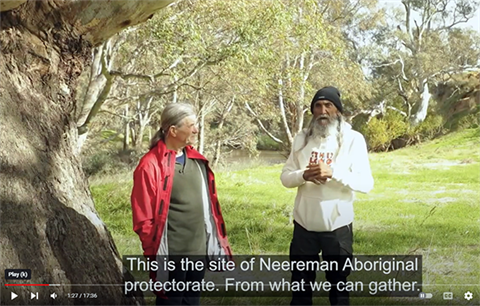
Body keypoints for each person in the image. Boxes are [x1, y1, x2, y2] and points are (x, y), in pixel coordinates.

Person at [131, 102, 232, 306]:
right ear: (173, 130)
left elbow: (210, 207)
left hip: (198, 253)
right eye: (191, 125)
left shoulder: (198, 161)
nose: (196, 129)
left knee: (192, 302)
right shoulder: (149, 165)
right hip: (171, 255)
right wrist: (154, 252)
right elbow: (143, 218)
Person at [280, 86, 374, 306]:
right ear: (313, 111)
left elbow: (366, 184)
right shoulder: (302, 138)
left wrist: (334, 173)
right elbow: (285, 178)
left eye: (328, 105)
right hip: (304, 225)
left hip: (338, 225)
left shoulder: (353, 139)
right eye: (318, 106)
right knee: (301, 285)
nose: (323, 110)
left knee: (338, 284)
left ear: (338, 111)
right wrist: (304, 175)